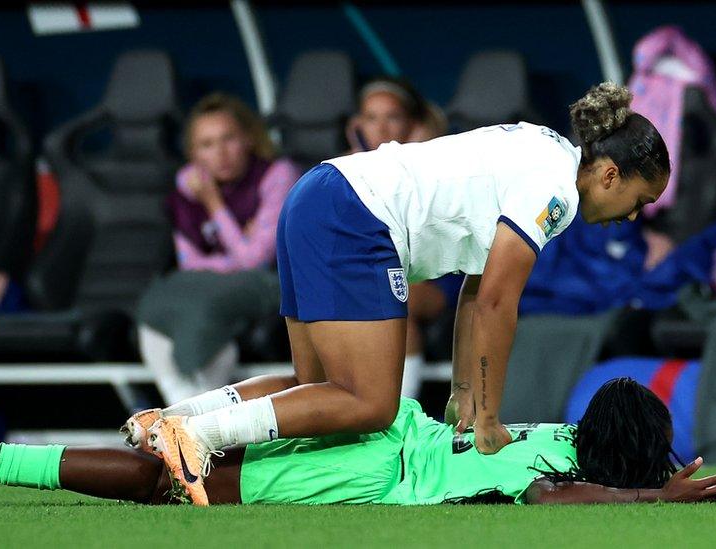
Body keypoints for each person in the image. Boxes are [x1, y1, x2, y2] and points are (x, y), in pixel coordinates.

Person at [125, 82, 670, 504]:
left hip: (318, 193)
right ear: (610, 175)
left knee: (317, 393)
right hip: (357, 217)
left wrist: (463, 391)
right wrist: (489, 419)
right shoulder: (555, 193)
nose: (630, 216)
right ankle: (194, 435)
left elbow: (477, 293)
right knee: (370, 404)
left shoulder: (545, 150)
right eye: (640, 201)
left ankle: (168, 420)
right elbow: (502, 303)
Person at [0, 377, 716, 508]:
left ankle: (188, 411)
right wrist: (656, 497)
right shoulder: (558, 471)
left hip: (395, 422)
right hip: (375, 466)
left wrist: (662, 480)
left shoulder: (556, 430)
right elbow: (560, 499)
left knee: (198, 450)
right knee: (180, 487)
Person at [136, 93, 301, 404]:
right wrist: (237, 244)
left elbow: (256, 260)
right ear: (193, 153)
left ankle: (192, 417)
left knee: (200, 309)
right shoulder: (188, 187)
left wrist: (214, 205)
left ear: (249, 139)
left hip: (277, 280)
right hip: (213, 283)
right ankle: (184, 405)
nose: (221, 154)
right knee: (157, 301)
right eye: (207, 144)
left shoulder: (277, 175)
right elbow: (190, 264)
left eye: (229, 139)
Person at [346, 76, 452, 398]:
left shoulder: (438, 168)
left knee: (389, 295)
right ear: (357, 125)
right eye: (370, 118)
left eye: (392, 117)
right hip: (373, 275)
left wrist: (416, 158)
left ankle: (396, 414)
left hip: (435, 278)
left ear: (413, 124)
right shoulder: (344, 171)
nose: (380, 128)